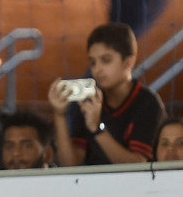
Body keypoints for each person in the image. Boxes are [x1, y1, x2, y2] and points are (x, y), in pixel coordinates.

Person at [47, 22, 166, 166]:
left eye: (106, 60)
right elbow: (70, 166)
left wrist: (97, 128)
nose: (97, 69)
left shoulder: (147, 102)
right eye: (93, 62)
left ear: (128, 62)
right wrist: (59, 114)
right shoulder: (89, 100)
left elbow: (138, 165)